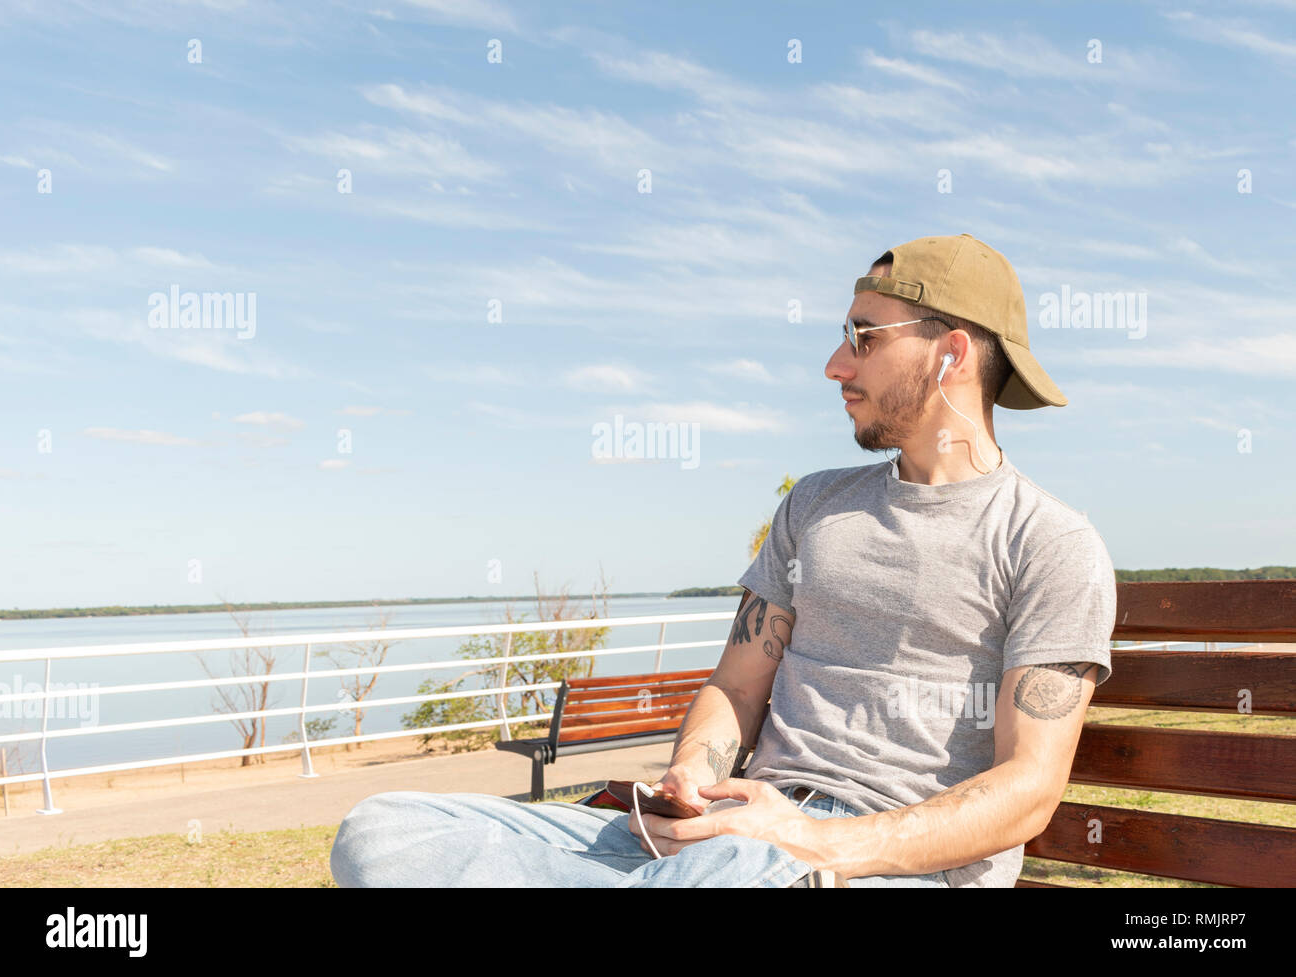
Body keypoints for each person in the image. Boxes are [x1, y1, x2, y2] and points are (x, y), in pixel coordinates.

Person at [329, 232, 1118, 888]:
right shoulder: (814, 506)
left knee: (732, 872)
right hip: (730, 836)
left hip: (877, 865)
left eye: (863, 337)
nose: (835, 365)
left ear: (952, 354)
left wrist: (812, 841)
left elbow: (1027, 789)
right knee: (383, 831)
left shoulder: (1049, 543)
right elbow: (736, 688)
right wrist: (693, 778)